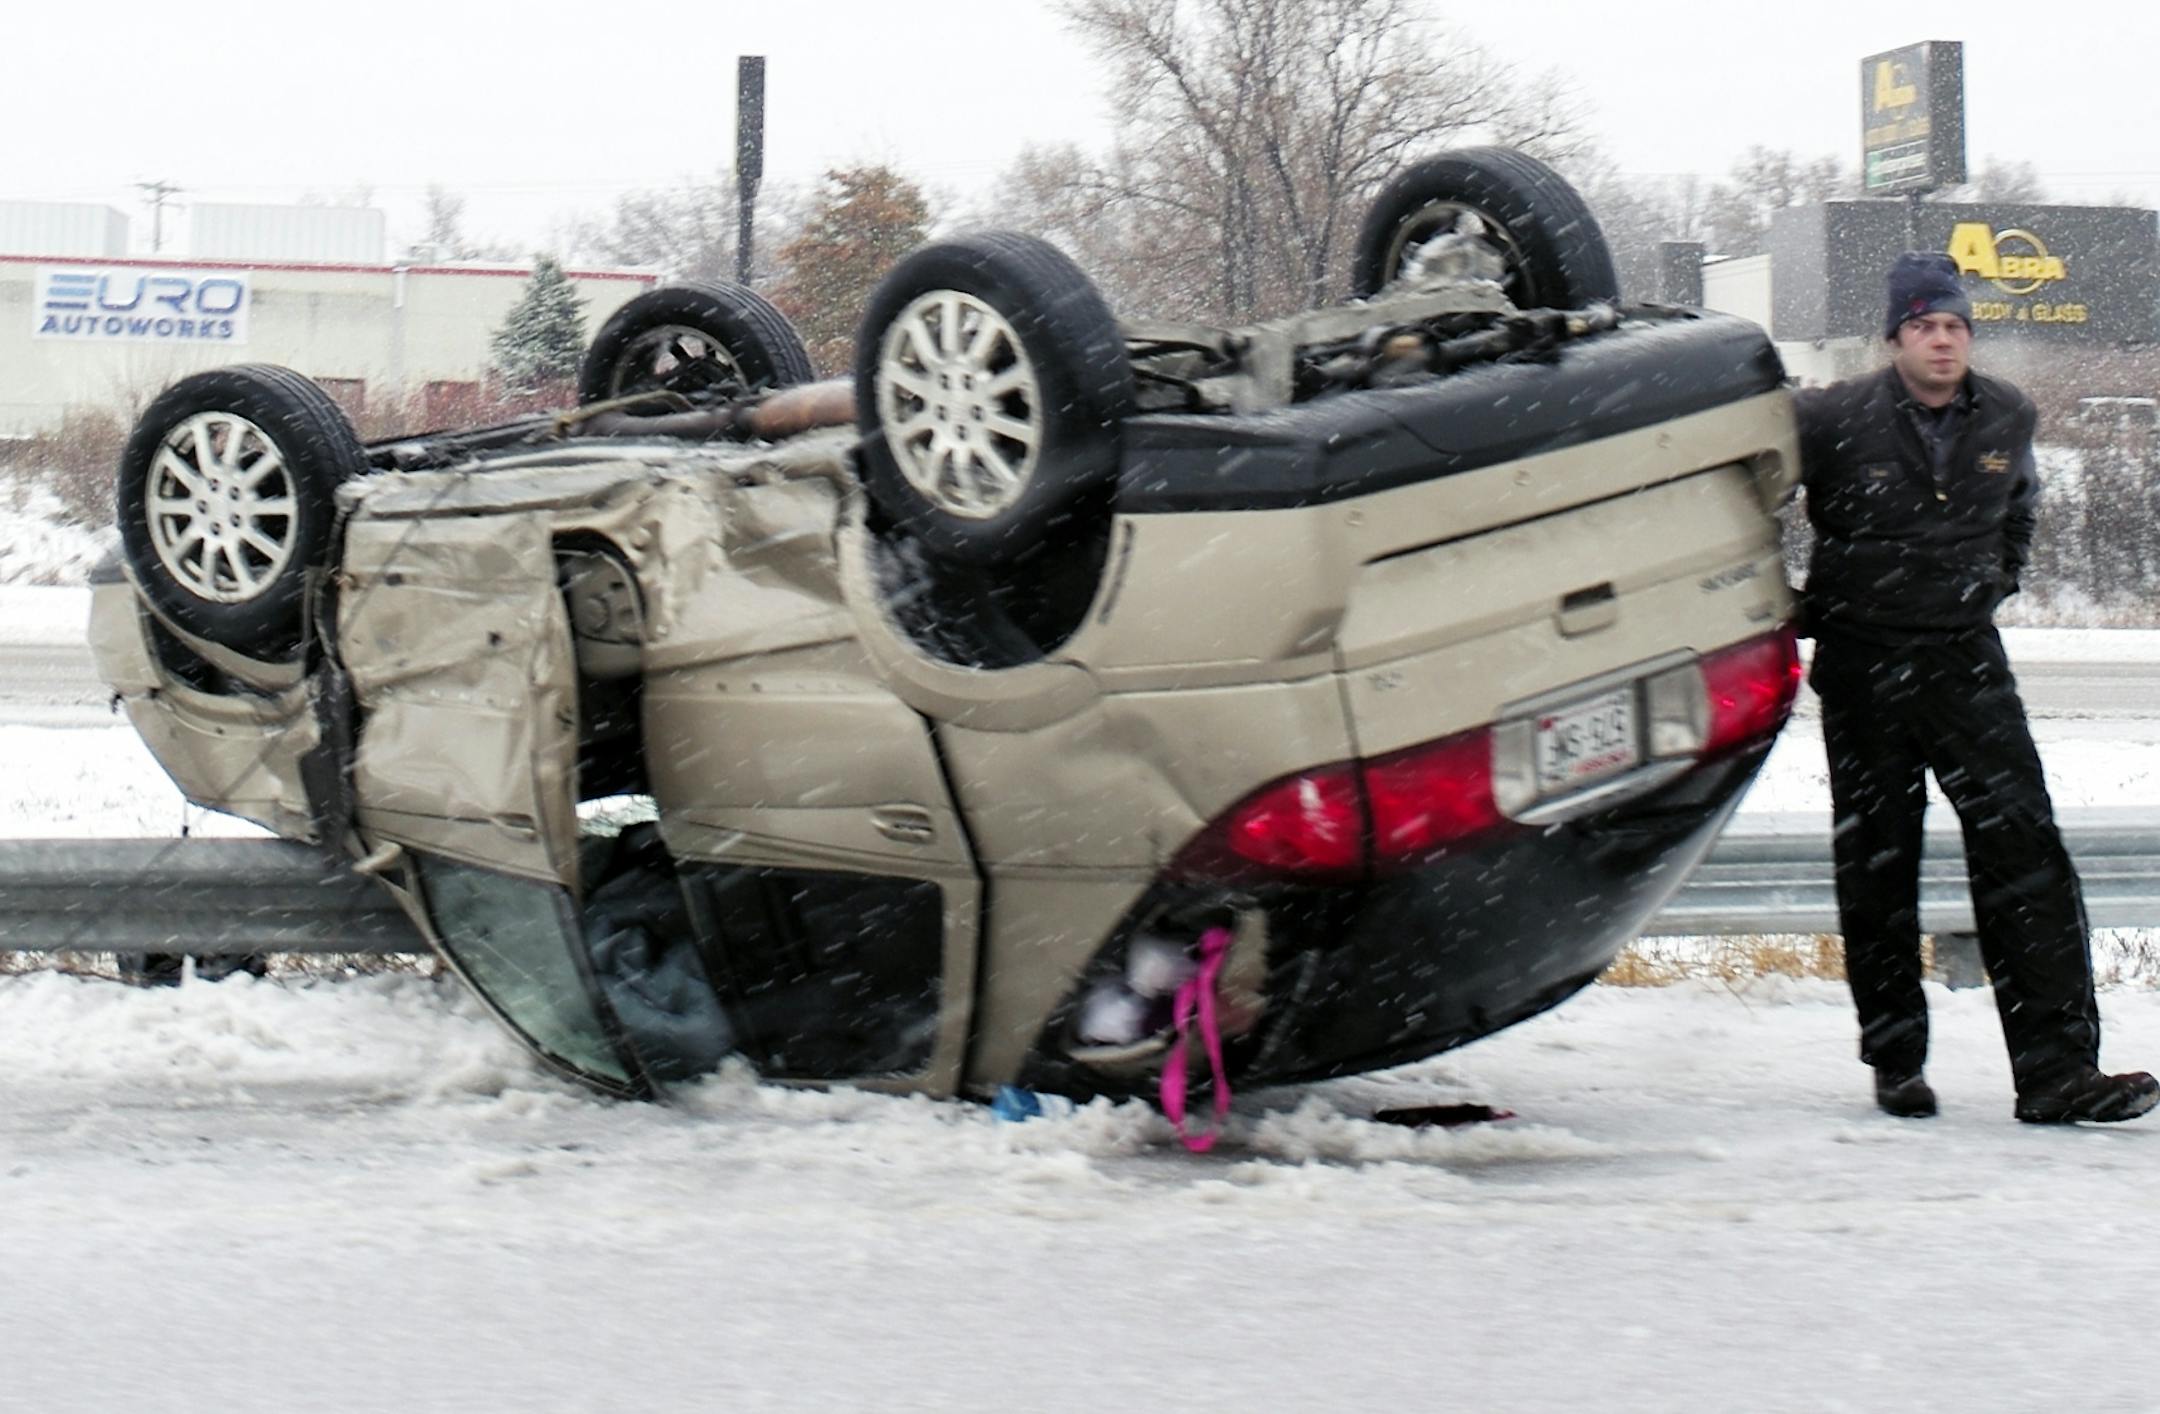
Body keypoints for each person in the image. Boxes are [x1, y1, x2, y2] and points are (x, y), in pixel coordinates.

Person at [1794, 251, 2157, 1124]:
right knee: (1880, 863)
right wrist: (1788, 603)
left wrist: (1998, 579)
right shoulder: (1832, 416)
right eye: (1925, 326)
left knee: (2026, 852)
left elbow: (2023, 507)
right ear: (1895, 339)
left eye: (1955, 325)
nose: (1944, 340)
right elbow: (1743, 493)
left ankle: (2058, 1071)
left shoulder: (2007, 412)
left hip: (1964, 660)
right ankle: (1896, 1061)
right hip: (1863, 661)